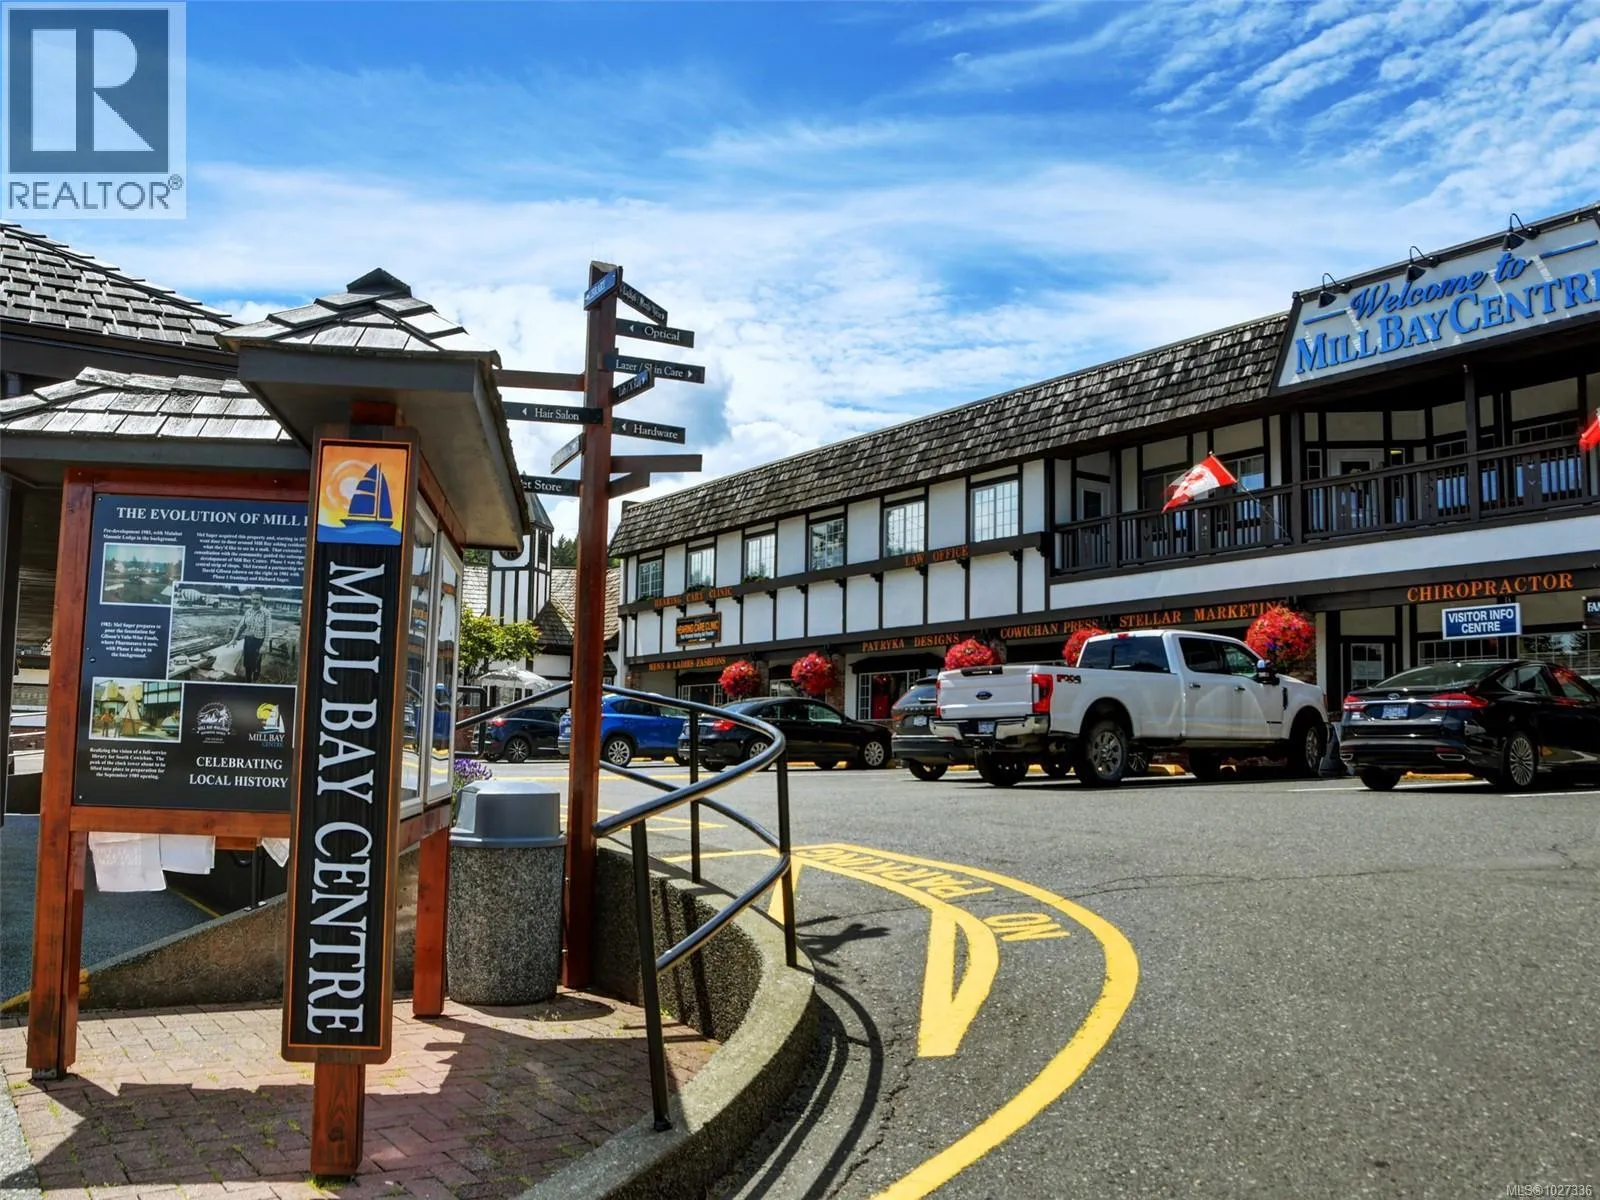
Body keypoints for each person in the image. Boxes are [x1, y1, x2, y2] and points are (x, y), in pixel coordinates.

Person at [231, 591, 271, 683]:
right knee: (247, 662)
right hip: (248, 640)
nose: (255, 601)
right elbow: (241, 626)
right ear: (251, 600)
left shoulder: (266, 613)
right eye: (253, 599)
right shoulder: (248, 612)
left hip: (258, 641)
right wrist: (234, 639)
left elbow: (268, 629)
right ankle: (248, 680)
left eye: (257, 599)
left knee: (256, 663)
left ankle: (255, 680)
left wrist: (264, 645)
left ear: (261, 601)